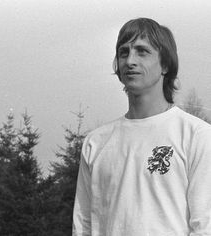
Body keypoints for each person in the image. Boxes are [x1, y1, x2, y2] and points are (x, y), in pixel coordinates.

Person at [72, 18, 211, 236]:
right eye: (124, 52)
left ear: (165, 64)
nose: (130, 61)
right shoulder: (96, 142)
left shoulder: (197, 135)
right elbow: (83, 225)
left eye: (142, 51)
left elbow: (205, 226)